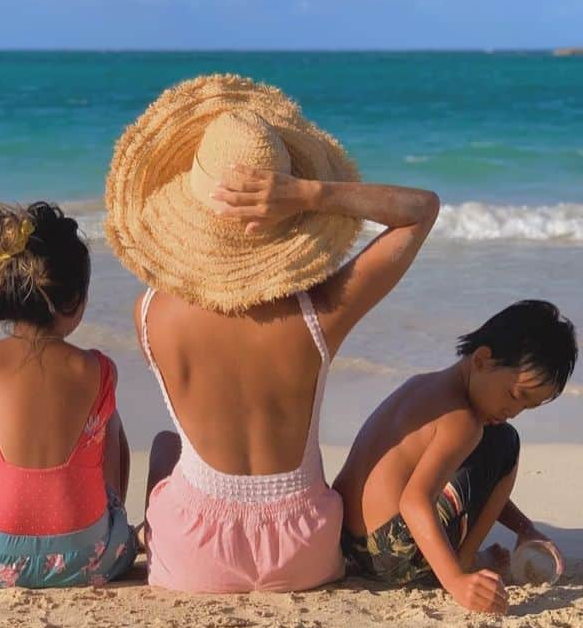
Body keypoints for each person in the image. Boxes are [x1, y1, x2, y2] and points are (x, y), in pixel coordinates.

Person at [105, 74, 440, 593]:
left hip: (197, 558)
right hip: (303, 550)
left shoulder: (150, 313)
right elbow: (421, 211)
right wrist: (313, 194)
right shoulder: (322, 312)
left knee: (169, 444)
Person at [334, 300, 578, 615]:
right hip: (393, 556)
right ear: (482, 359)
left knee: (492, 438)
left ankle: (458, 560)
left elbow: (471, 480)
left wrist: (524, 528)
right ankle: (465, 559)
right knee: (505, 442)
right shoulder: (462, 422)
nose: (514, 412)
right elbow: (414, 501)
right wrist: (456, 580)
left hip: (347, 544)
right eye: (516, 395)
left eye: (528, 407)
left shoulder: (422, 386)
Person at [0, 201, 136, 588]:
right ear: (75, 300)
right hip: (87, 556)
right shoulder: (97, 369)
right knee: (108, 421)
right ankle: (109, 515)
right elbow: (109, 450)